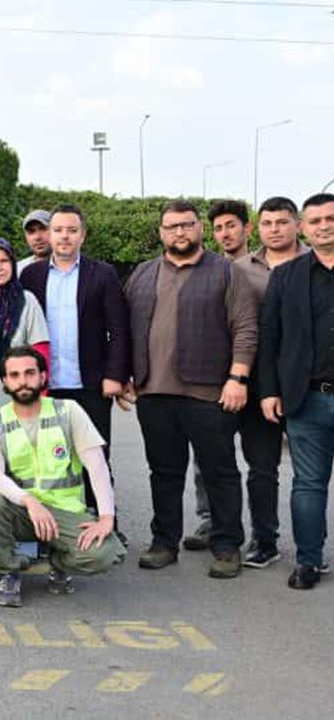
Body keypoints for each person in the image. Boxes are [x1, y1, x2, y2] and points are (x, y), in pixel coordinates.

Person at [125, 200, 256, 578]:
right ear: (161, 233)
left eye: (186, 225)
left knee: (219, 472)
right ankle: (164, 542)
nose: (179, 232)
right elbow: (124, 327)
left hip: (209, 394)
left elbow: (246, 328)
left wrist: (238, 378)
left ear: (199, 228)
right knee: (164, 472)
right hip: (154, 392)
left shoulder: (227, 273)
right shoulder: (144, 274)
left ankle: (227, 545)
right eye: (171, 227)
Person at [186, 197, 303, 565]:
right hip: (237, 383)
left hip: (291, 382)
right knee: (216, 462)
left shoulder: (313, 267)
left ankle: (276, 540)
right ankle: (229, 532)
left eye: (282, 222)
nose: (275, 229)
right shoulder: (234, 269)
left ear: (296, 224)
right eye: (269, 223)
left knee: (274, 469)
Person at [0, 347, 126, 607]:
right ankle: (10, 570)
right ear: (5, 382)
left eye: (30, 373)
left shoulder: (68, 411)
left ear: (43, 377)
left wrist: (106, 518)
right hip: (22, 510)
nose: (23, 381)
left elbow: (97, 466)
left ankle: (58, 562)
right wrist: (30, 502)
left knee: (106, 554)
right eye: (15, 375)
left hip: (64, 511)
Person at [20, 204, 131, 517]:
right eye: (58, 230)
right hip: (46, 387)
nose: (64, 237)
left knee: (94, 458)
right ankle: (55, 528)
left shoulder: (103, 274)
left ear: (83, 235)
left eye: (71, 230)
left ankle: (106, 521)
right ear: (49, 234)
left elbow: (119, 329)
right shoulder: (31, 275)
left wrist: (115, 375)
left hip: (91, 385)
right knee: (49, 460)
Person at [258, 192, 334, 589]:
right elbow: (270, 337)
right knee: (308, 484)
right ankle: (308, 560)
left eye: (330, 218)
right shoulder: (287, 277)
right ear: (303, 228)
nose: (324, 225)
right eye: (316, 220)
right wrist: (269, 390)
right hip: (309, 399)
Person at [0, 237, 50, 510]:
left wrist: (41, 396)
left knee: (20, 469)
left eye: (4, 261)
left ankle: (24, 533)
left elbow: (41, 351)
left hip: (19, 403)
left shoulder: (27, 301)